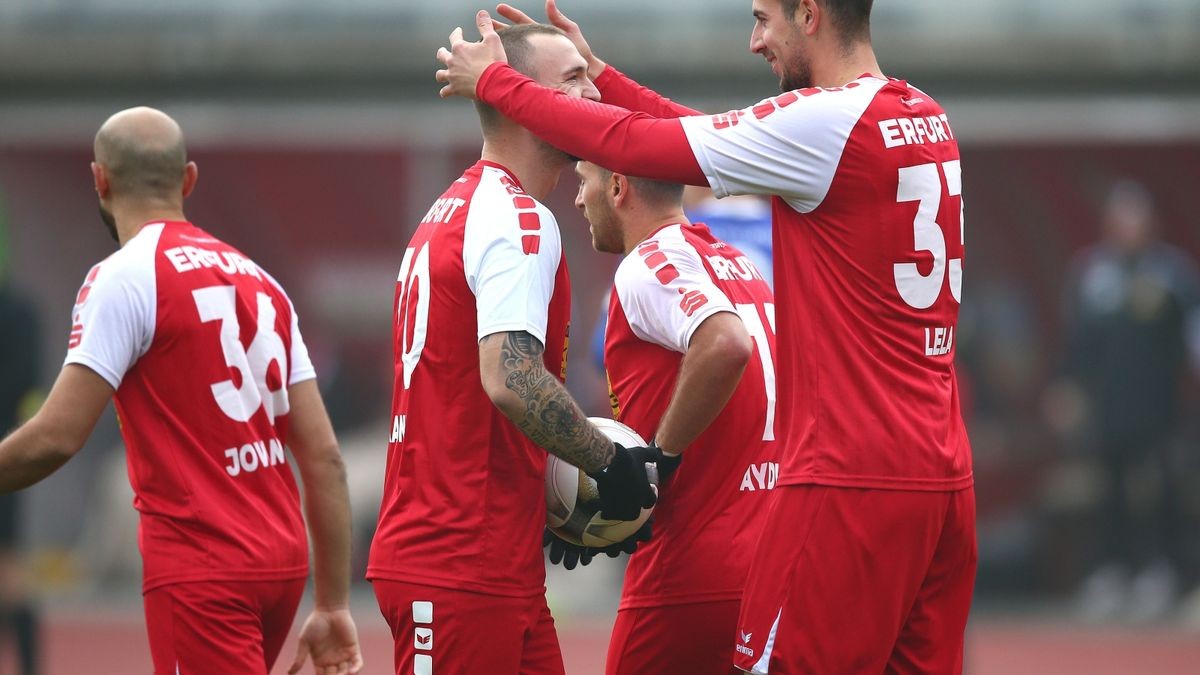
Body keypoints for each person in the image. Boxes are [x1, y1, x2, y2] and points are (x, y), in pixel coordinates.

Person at [437, 1, 976, 671]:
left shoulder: (827, 122)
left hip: (847, 478)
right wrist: (602, 76)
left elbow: (644, 149)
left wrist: (496, 83)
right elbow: (702, 135)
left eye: (763, 18)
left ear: (809, 13)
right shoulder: (924, 116)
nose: (755, 42)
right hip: (943, 473)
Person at [0, 107, 362, 675]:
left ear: (100, 179)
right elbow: (325, 458)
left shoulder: (122, 277)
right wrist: (333, 602)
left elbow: (56, 438)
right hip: (281, 564)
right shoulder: (261, 281)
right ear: (188, 179)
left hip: (203, 565)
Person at [368, 24, 657, 675]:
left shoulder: (454, 207)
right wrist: (608, 465)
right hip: (456, 562)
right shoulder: (519, 217)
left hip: (492, 559)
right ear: (519, 99)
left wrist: (551, 501)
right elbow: (509, 377)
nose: (595, 94)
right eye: (573, 80)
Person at [558, 160, 778, 675]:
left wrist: (658, 459)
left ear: (617, 186)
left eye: (582, 182)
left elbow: (725, 343)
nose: (577, 200)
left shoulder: (648, 263)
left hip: (692, 565)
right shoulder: (739, 265)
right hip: (773, 552)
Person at [1051, 179, 1200, 622]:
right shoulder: (1092, 273)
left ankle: (1167, 574)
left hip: (1159, 410)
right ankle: (1111, 574)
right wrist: (1067, 387)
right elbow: (1076, 342)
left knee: (1160, 490)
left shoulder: (1173, 274)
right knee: (1109, 490)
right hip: (1109, 410)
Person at [0, 219, 41, 675]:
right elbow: (29, 388)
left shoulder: (19, 313)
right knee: (9, 569)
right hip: (10, 449)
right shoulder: (25, 314)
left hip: (7, 454)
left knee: (9, 571)